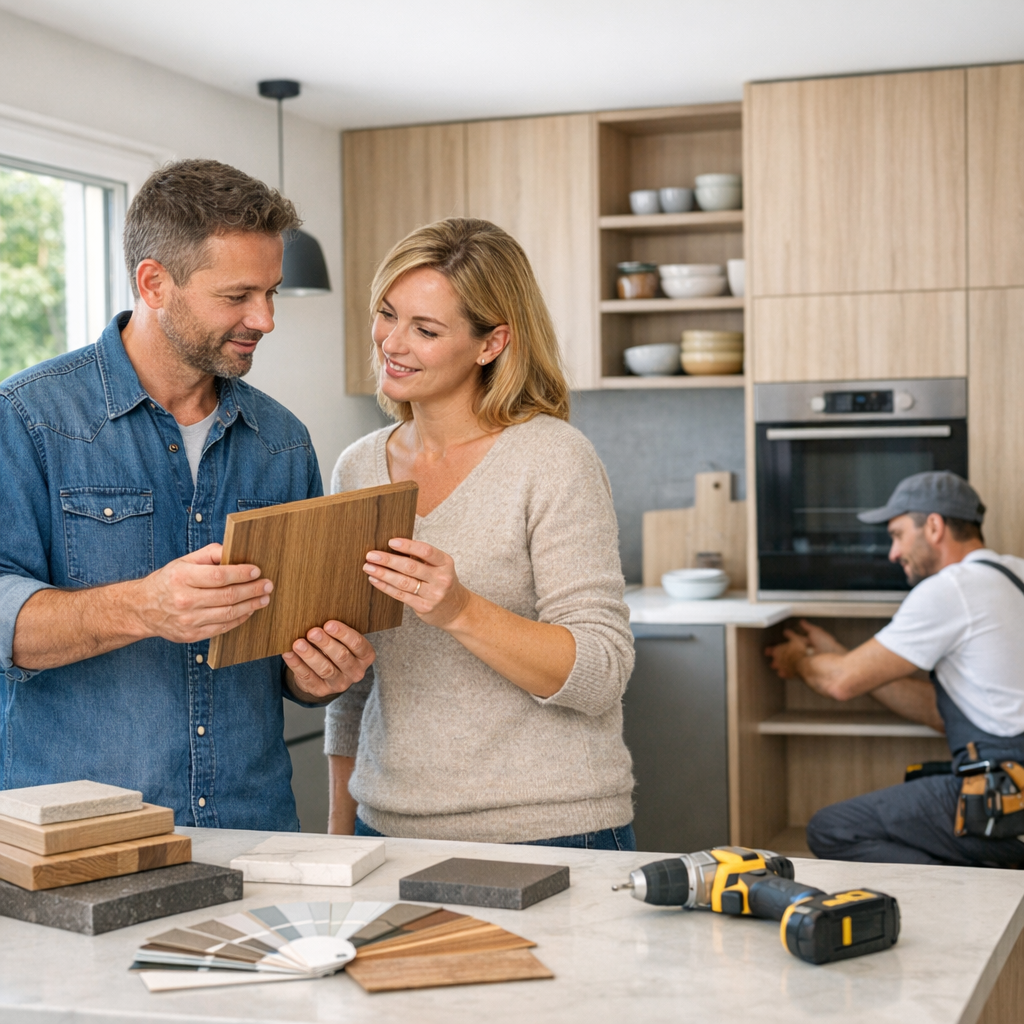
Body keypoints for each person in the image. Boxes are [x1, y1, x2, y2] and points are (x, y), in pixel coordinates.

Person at [0, 159, 371, 829]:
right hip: (82, 840)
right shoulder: (28, 418)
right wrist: (142, 607)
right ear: (154, 283)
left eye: (272, 292)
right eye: (238, 295)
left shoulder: (282, 441)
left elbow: (292, 653)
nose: (265, 318)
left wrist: (314, 676)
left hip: (251, 830)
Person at [317, 217, 636, 849]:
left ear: (491, 344)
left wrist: (460, 609)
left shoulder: (552, 457)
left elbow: (602, 671)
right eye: (388, 314)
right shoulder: (357, 466)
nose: (392, 342)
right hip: (385, 829)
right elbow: (357, 685)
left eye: (426, 329)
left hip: (550, 830)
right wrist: (337, 832)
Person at [765, 471, 1024, 867]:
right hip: (1014, 789)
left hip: (1007, 800)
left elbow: (839, 683)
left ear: (934, 526)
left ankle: (976, 907)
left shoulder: (951, 589)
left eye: (898, 534)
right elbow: (950, 713)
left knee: (833, 828)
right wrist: (844, 655)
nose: (892, 552)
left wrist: (798, 660)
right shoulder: (1012, 576)